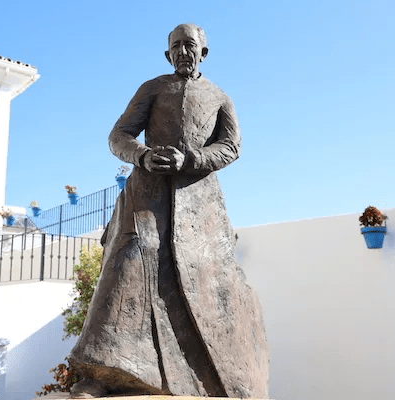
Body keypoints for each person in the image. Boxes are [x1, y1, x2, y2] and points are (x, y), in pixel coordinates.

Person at [68, 23, 268, 398]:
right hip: (147, 194)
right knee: (127, 263)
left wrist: (190, 159)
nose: (182, 52)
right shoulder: (152, 88)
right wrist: (143, 155)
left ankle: (209, 381)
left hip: (199, 203)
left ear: (204, 53)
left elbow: (231, 146)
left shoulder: (220, 97)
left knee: (202, 285)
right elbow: (119, 135)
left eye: (189, 45)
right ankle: (102, 373)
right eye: (175, 46)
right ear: (167, 54)